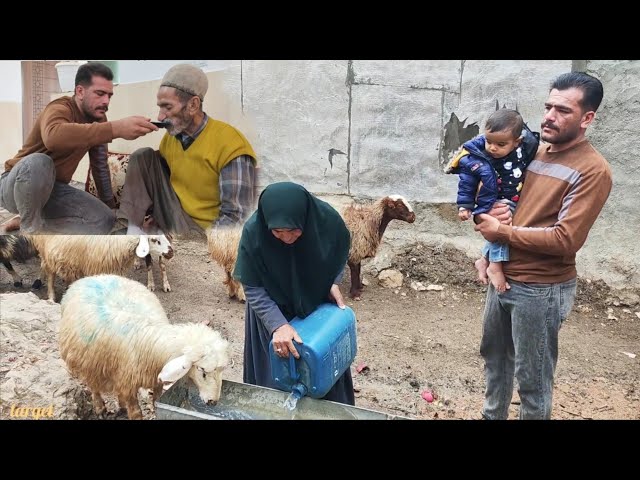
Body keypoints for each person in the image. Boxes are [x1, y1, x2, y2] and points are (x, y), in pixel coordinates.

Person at [473, 72, 612, 420]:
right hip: (502, 278)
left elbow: (566, 239)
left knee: (532, 381)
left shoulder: (592, 170)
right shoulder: (532, 152)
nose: (549, 115)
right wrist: (488, 254)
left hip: (541, 289)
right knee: (495, 363)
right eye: (548, 106)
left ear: (587, 118)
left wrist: (500, 234)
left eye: (563, 110)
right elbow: (518, 210)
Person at [0, 62, 159, 234]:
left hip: (54, 190)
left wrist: (110, 208)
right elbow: (53, 138)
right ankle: (29, 233)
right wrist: (116, 129)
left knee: (103, 220)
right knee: (40, 162)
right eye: (100, 94)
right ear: (80, 91)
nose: (106, 101)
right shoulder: (59, 108)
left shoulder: (99, 119)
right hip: (17, 185)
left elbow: (99, 165)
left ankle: (32, 221)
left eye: (109, 96)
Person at [233, 181, 355, 405]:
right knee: (279, 373)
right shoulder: (255, 232)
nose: (287, 238)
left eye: (294, 230)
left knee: (321, 364)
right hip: (272, 308)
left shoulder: (325, 221)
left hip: (313, 303)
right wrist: (278, 325)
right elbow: (252, 286)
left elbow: (337, 250)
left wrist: (332, 282)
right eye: (278, 232)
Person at [117, 63, 258, 239]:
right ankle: (131, 233)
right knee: (143, 156)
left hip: (200, 233)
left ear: (193, 105)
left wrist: (208, 251)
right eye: (160, 107)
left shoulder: (231, 145)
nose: (160, 116)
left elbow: (234, 216)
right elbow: (161, 185)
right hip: (175, 216)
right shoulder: (171, 138)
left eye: (167, 107)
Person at [445, 109, 539, 292]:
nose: (493, 148)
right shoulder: (478, 157)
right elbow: (467, 182)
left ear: (516, 142)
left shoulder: (523, 149)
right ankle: (495, 265)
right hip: (493, 201)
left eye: (501, 144)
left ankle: (484, 260)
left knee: (505, 225)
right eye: (489, 142)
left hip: (514, 196)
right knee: (503, 227)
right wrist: (465, 205)